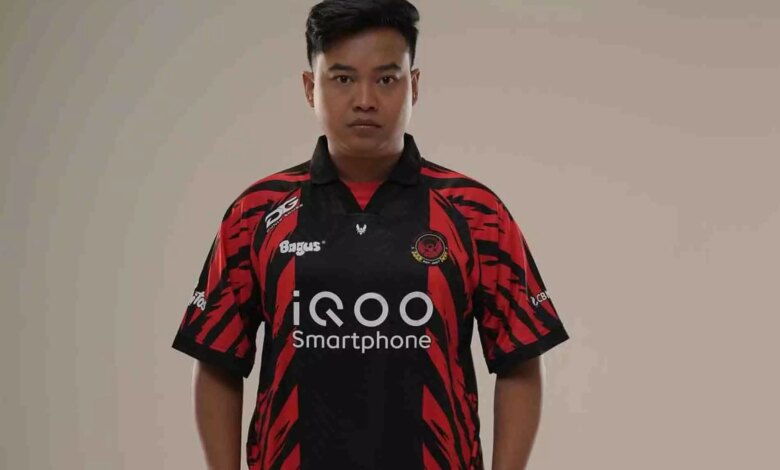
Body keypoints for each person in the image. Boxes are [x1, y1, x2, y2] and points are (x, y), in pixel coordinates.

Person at [171, 1, 570, 469]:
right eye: (343, 79)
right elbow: (218, 361)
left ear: (414, 85)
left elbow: (520, 360)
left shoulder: (476, 212)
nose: (365, 99)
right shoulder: (255, 213)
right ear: (310, 87)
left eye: (386, 79)